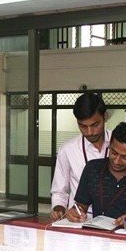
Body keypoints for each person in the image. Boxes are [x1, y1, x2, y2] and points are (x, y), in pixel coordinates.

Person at [66, 122, 126, 230]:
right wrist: (74, 211)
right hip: (98, 236)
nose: (116, 161)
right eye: (114, 153)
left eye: (125, 157)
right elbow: (80, 206)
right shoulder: (93, 168)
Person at [49, 91, 111, 220]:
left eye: (95, 125)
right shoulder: (67, 150)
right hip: (79, 219)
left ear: (105, 117)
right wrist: (58, 207)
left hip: (113, 219)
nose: (89, 132)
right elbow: (59, 190)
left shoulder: (118, 145)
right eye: (82, 126)